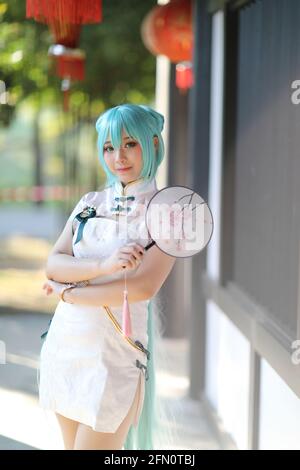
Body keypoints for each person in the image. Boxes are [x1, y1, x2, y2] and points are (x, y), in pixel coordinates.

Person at [38, 103, 177, 450]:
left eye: (130, 144)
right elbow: (54, 264)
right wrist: (104, 267)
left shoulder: (168, 213)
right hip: (66, 345)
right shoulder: (90, 202)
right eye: (109, 147)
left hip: (115, 354)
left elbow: (142, 287)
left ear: (154, 144)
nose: (119, 157)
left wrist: (68, 294)